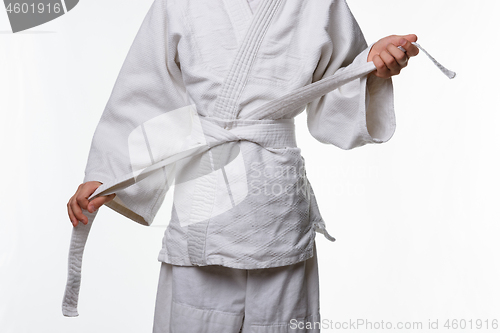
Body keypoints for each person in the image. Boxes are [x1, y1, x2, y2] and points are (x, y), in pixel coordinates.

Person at [65, 0, 420, 331]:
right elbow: (146, 90)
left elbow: (335, 96)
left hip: (278, 213)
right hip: (205, 211)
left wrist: (371, 67)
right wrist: (107, 175)